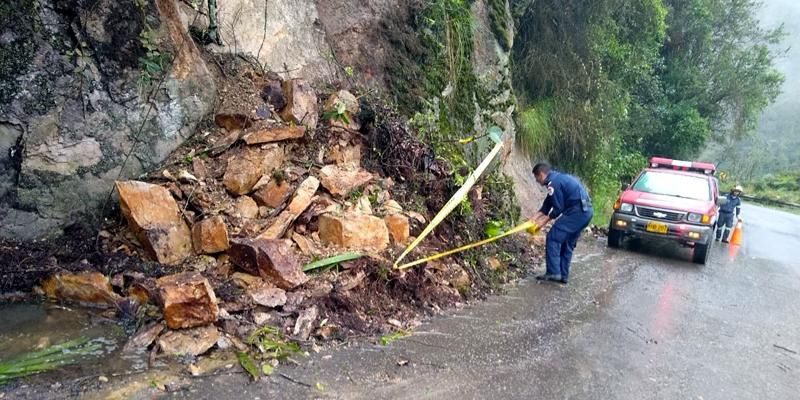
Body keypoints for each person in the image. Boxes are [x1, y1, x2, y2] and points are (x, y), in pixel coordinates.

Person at [529, 163, 593, 285]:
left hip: (577, 212)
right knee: (567, 242)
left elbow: (558, 208)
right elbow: (548, 204)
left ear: (541, 175)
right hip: (586, 212)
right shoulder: (557, 179)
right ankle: (563, 275)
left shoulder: (553, 183)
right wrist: (534, 218)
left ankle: (553, 272)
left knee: (553, 237)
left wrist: (542, 222)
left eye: (536, 178)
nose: (537, 181)